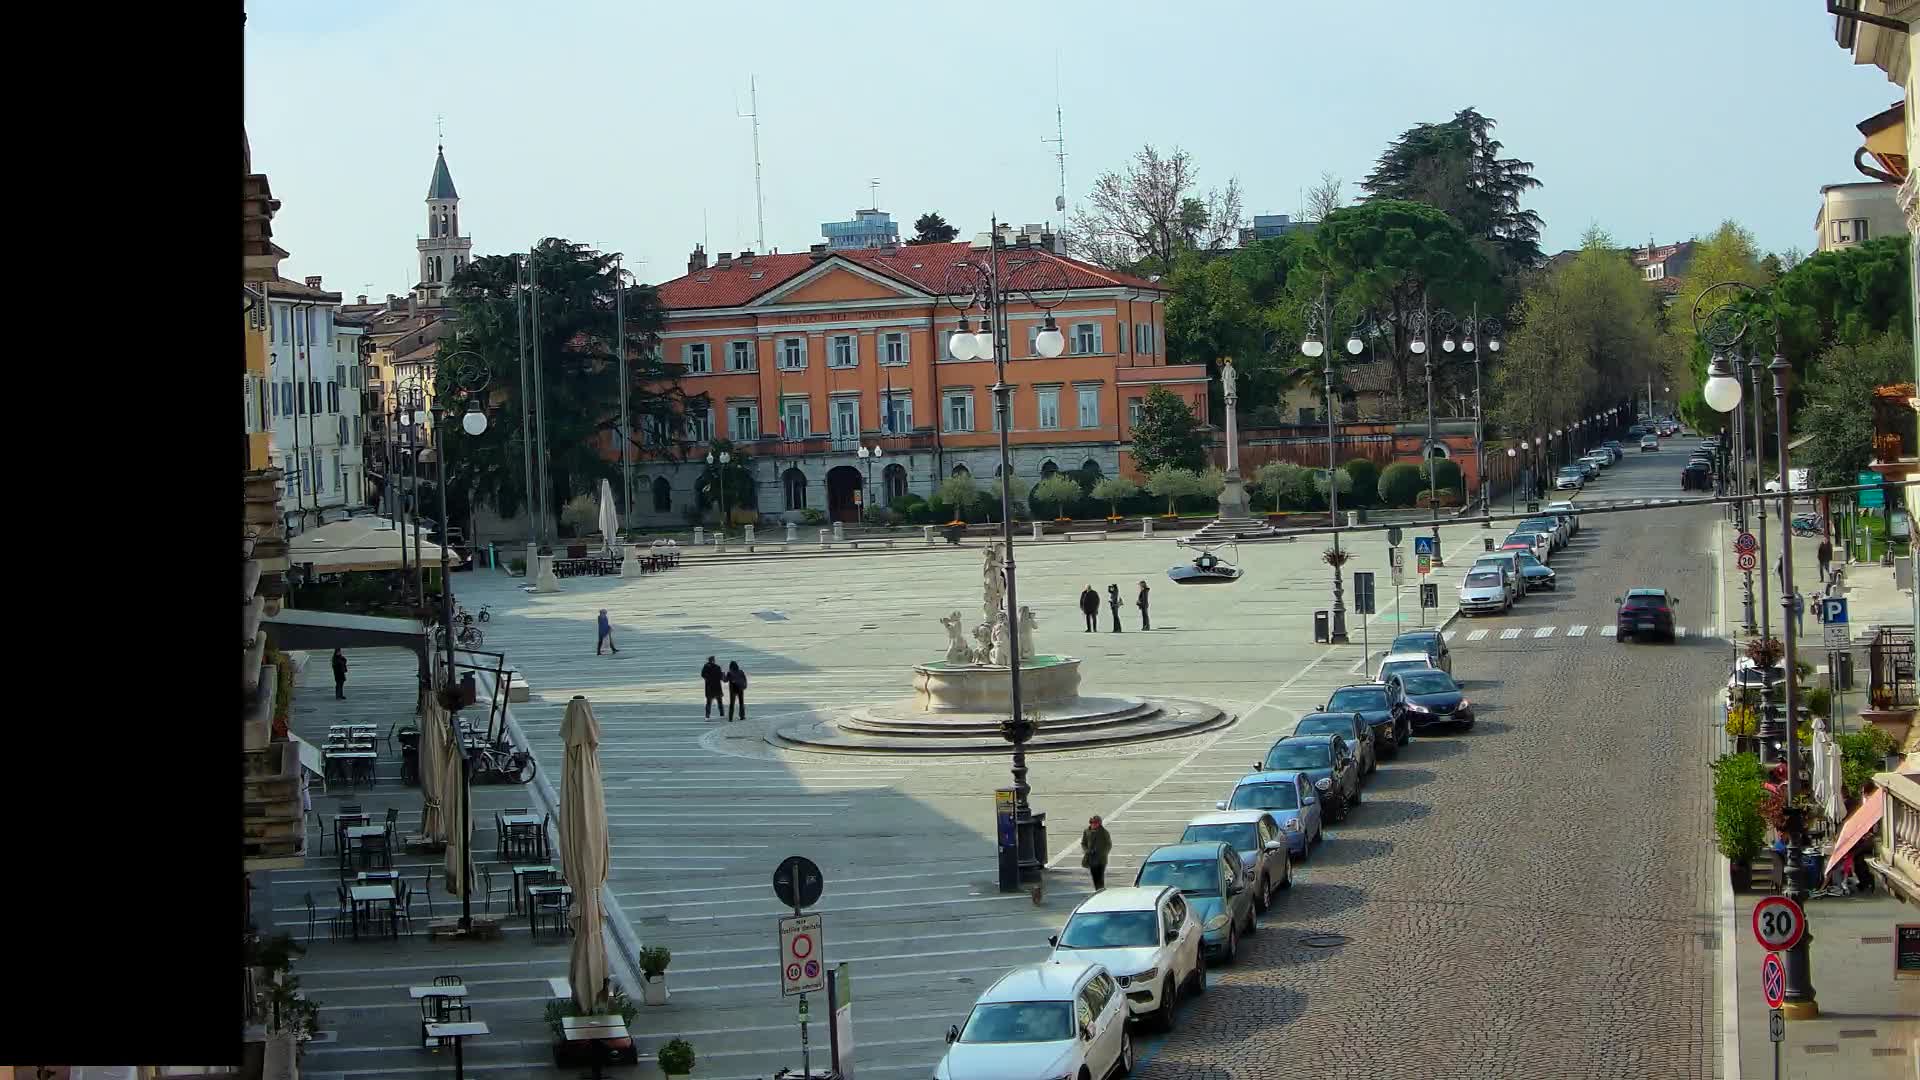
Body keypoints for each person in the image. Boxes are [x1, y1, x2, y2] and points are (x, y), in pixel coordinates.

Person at [1080, 815, 1112, 891]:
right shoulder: (1086, 831)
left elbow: (1109, 844)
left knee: (1100, 876)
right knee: (1094, 876)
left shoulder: (1104, 832)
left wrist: (1103, 853)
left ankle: (1101, 890)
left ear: (1099, 823)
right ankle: (1097, 890)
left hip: (1101, 859)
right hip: (1091, 858)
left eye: (1096, 823)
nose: (1094, 824)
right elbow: (1083, 843)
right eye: (1093, 823)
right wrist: (1087, 850)